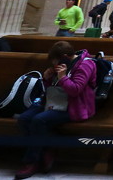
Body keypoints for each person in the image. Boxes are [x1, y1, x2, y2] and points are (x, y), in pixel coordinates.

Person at [13, 41, 96, 180]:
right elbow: (51, 89)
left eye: (55, 61)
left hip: (75, 106)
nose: (54, 64)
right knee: (24, 119)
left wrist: (62, 77)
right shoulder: (61, 65)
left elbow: (75, 90)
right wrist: (46, 79)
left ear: (64, 56)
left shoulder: (85, 65)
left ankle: (31, 162)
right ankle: (46, 150)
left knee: (39, 120)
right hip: (54, 101)